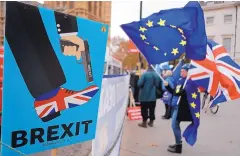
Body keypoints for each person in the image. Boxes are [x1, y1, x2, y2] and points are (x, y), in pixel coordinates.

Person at [164, 64, 192, 154]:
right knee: (175, 125)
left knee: (174, 125)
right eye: (181, 70)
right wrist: (167, 86)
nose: (181, 72)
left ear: (188, 72)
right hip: (175, 105)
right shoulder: (180, 80)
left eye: (183, 71)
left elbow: (185, 93)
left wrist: (181, 92)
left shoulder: (189, 81)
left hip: (180, 107)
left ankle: (178, 147)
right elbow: (174, 92)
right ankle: (177, 143)